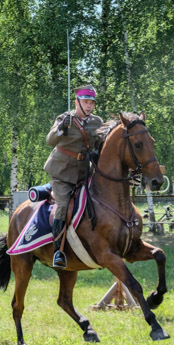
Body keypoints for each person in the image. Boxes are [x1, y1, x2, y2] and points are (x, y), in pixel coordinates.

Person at [44, 84, 104, 268]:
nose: (89, 106)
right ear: (77, 102)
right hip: (62, 173)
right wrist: (60, 128)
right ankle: (58, 252)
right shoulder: (65, 118)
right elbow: (50, 140)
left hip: (84, 173)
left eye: (92, 103)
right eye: (86, 102)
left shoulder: (97, 122)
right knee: (63, 207)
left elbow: (101, 144)